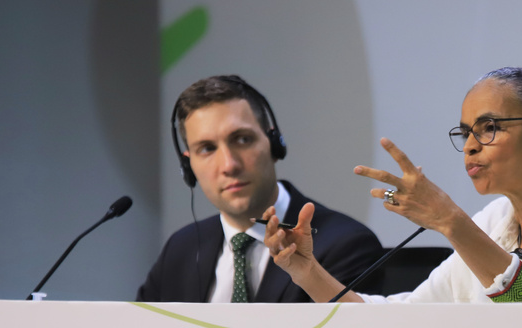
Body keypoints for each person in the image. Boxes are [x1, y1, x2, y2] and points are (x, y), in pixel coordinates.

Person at [264, 67, 522, 303]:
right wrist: (307, 273)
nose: (470, 145)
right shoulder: (494, 223)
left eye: (488, 128)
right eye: (465, 132)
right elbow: (402, 322)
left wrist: (452, 222)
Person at [137, 75, 383, 303]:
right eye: (207, 149)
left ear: (274, 145)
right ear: (188, 165)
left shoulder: (344, 244)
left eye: (242, 139)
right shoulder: (181, 249)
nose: (229, 165)